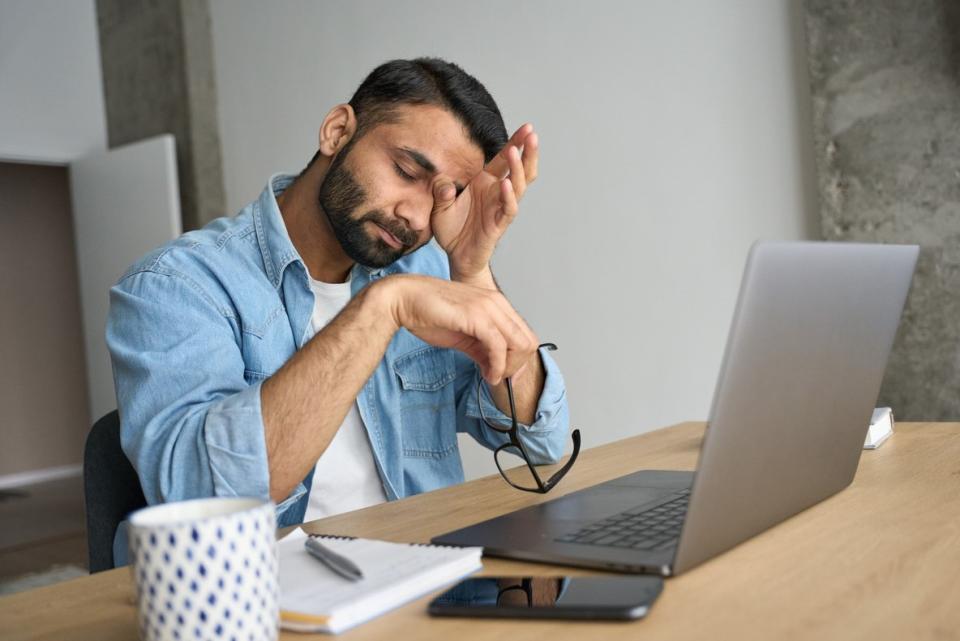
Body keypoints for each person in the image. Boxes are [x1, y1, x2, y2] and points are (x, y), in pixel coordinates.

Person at [106, 57, 570, 565]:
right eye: (406, 171)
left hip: (426, 578)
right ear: (337, 131)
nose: (416, 216)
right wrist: (382, 308)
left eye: (444, 196)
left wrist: (473, 269)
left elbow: (539, 442)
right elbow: (203, 501)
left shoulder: (425, 271)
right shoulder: (178, 286)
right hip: (269, 602)